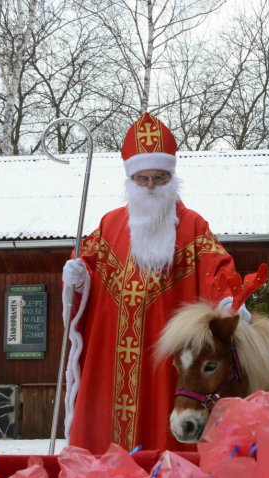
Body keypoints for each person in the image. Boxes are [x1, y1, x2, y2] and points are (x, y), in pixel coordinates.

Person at [60, 112, 238, 454]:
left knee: (165, 436)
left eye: (160, 177)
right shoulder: (109, 225)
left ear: (171, 177)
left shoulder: (192, 226)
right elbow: (87, 268)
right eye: (142, 179)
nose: (152, 186)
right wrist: (78, 277)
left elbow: (218, 268)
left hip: (166, 361)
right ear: (131, 180)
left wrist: (227, 299)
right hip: (111, 357)